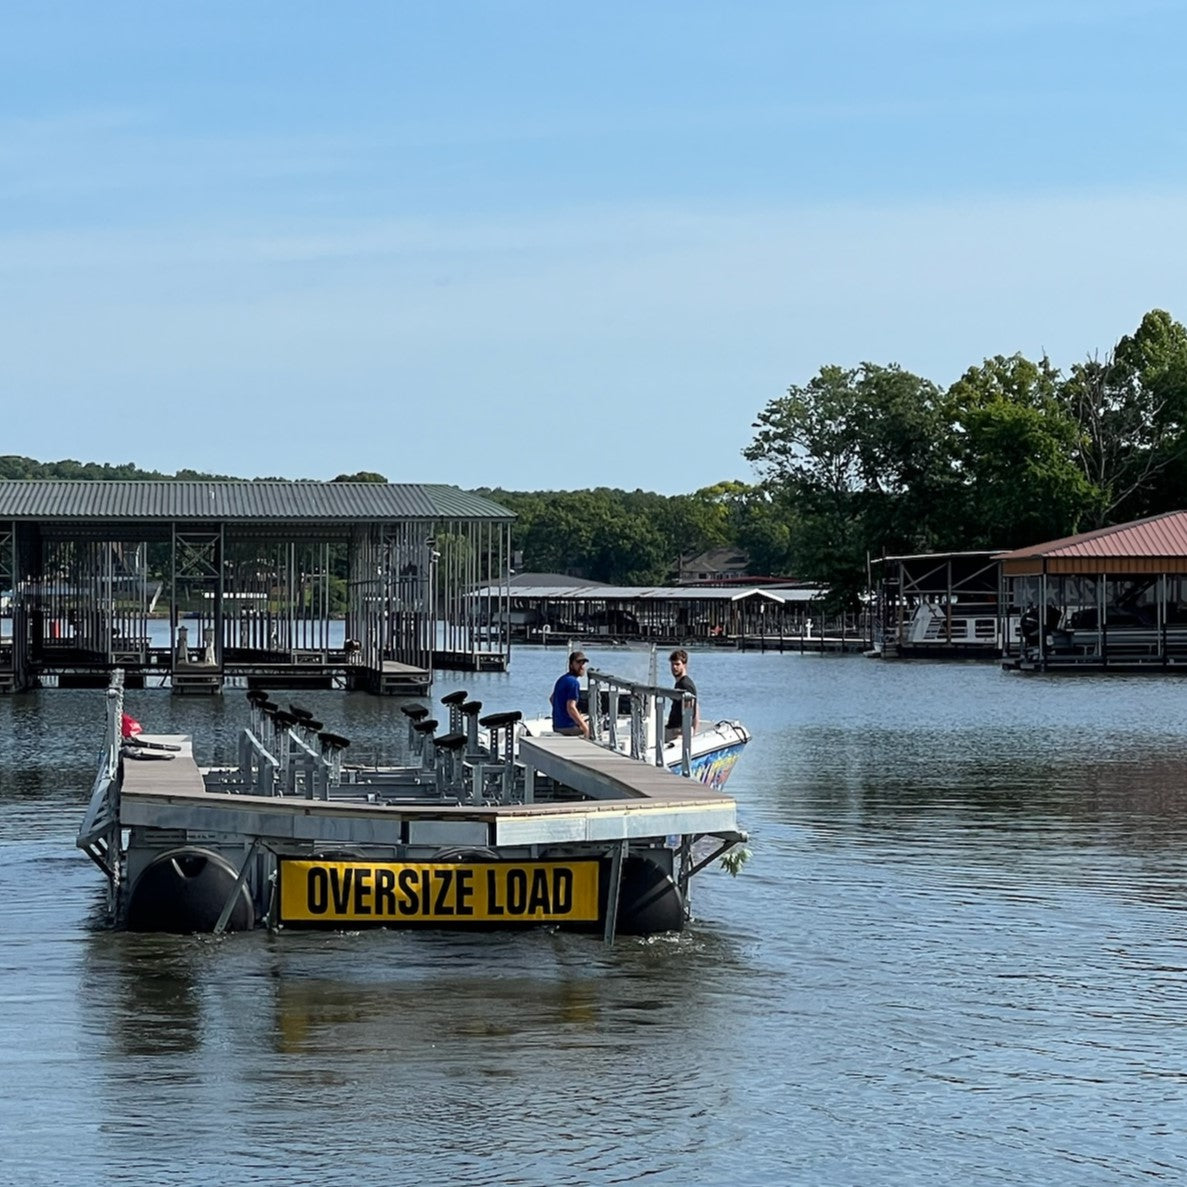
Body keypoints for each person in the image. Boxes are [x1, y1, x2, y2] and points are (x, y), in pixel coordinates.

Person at [550, 650, 590, 737]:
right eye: (578, 663)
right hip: (567, 727)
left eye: (583, 663)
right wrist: (584, 727)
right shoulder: (574, 683)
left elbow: (552, 699)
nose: (581, 666)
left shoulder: (562, 679)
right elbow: (571, 707)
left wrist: (562, 714)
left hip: (557, 726)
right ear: (571, 665)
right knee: (594, 729)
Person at [665, 648, 701, 742]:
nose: (674, 667)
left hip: (678, 732)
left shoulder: (685, 684)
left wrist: (692, 733)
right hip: (674, 730)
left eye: (677, 664)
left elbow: (693, 709)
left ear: (684, 665)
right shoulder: (679, 683)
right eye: (672, 664)